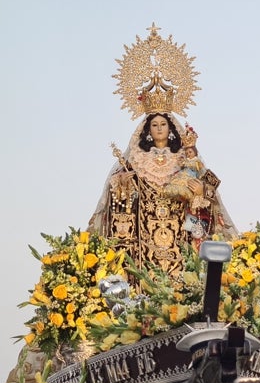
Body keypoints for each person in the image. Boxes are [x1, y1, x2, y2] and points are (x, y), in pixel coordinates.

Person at [88, 111, 238, 277]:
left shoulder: (186, 157)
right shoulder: (137, 159)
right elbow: (115, 187)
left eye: (163, 124)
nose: (159, 128)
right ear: (148, 131)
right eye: (154, 125)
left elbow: (211, 187)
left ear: (171, 128)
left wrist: (201, 190)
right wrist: (122, 182)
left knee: (185, 275)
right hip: (144, 236)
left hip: (182, 232)